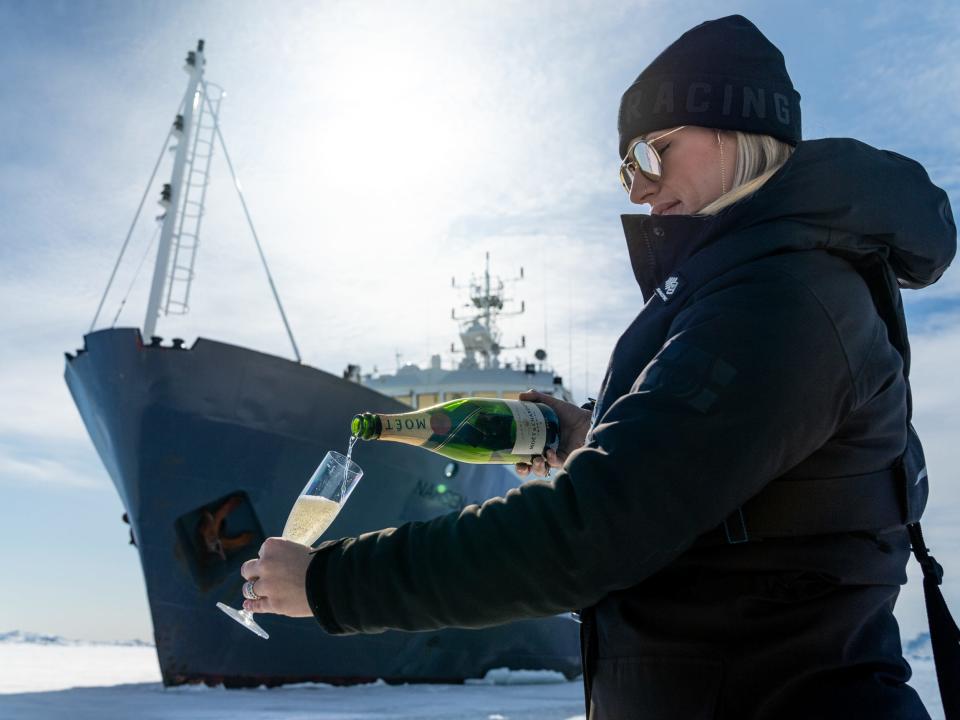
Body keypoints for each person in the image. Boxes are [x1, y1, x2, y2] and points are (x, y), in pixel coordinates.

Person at [238, 15, 956, 719]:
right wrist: (590, 438)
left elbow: (587, 535)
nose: (639, 190)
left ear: (737, 129)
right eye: (625, 171)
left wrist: (331, 583)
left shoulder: (783, 299)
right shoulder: (751, 289)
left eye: (653, 152)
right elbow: (715, 495)